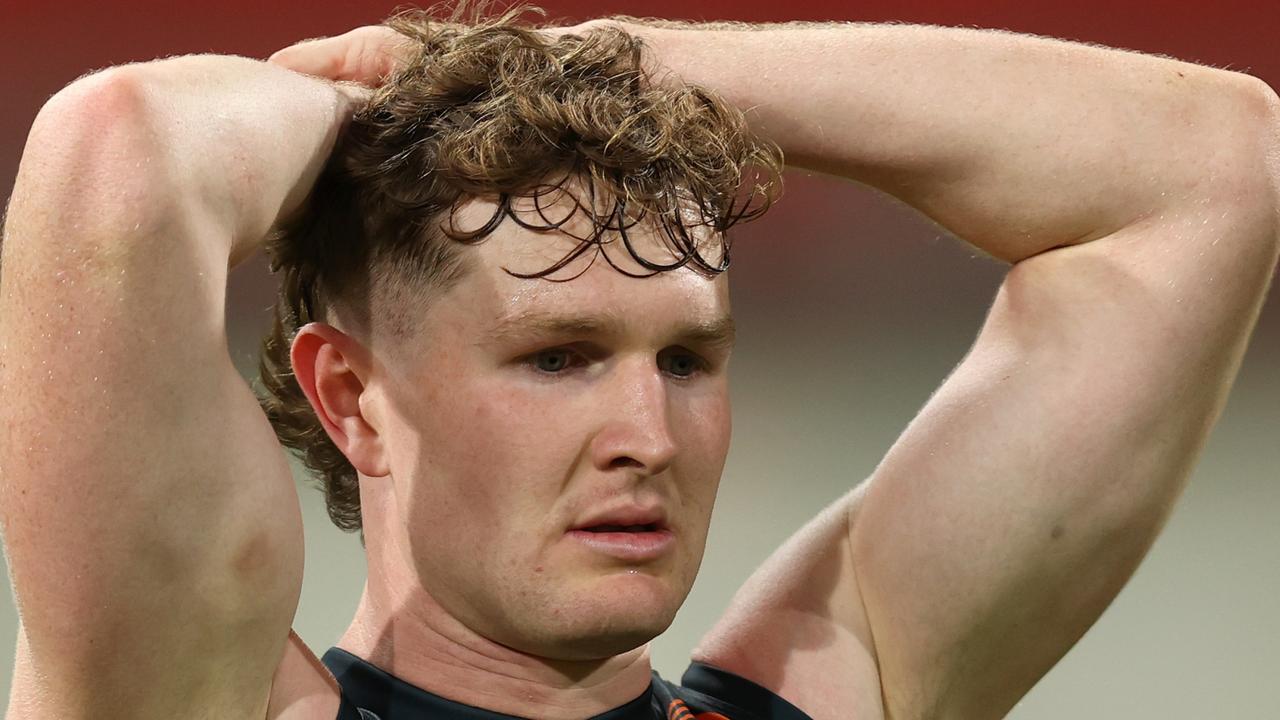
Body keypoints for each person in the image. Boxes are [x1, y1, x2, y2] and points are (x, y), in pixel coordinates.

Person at [1, 3, 1276, 719]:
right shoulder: (188, 702)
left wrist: (593, 61)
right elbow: (117, 156)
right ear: (353, 399)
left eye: (685, 360)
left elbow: (1210, 168)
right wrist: (390, 107)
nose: (645, 437)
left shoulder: (821, 697)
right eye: (556, 358)